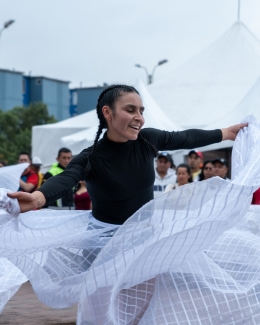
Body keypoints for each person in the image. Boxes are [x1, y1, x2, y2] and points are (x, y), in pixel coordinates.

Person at [6, 84, 247, 324]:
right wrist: (37, 198)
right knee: (101, 314)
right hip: (103, 245)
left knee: (138, 311)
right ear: (107, 112)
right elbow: (66, 179)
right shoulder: (91, 157)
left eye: (141, 111)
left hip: (143, 240)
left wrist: (226, 132)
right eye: (130, 110)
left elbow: (184, 138)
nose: (138, 117)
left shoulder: (147, 141)